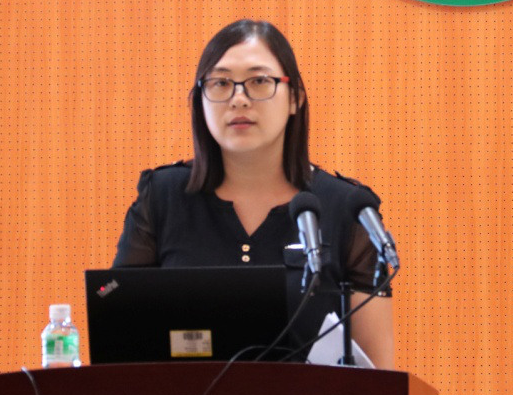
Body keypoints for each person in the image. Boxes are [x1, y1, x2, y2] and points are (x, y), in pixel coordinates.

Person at [112, 19, 395, 371]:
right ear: (201, 100)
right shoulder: (162, 197)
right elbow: (120, 341)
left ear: (295, 98)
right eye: (220, 83)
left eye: (259, 81)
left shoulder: (347, 208)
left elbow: (378, 375)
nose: (239, 99)